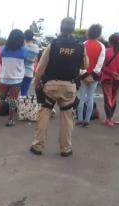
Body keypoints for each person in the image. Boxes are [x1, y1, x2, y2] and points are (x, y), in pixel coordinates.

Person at [30, 17, 89, 157]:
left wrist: (37, 82)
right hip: (69, 87)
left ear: (61, 28)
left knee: (44, 115)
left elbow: (40, 68)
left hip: (51, 86)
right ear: (73, 29)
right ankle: (66, 148)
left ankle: (38, 145)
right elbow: (85, 65)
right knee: (67, 118)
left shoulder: (53, 45)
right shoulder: (80, 47)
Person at [0, 29, 27, 126]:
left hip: (4, 78)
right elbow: (26, 61)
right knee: (12, 100)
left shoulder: (3, 49)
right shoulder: (24, 50)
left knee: (1, 98)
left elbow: (1, 60)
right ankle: (10, 119)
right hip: (16, 79)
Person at [76, 24, 106, 127]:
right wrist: (92, 75)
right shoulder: (101, 46)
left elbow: (79, 61)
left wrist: (84, 75)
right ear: (99, 33)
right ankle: (87, 120)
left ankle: (79, 118)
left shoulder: (83, 44)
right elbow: (100, 63)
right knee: (90, 97)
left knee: (81, 96)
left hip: (82, 75)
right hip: (95, 76)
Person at [100, 34, 119, 126]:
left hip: (107, 78)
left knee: (108, 98)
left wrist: (111, 73)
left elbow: (102, 66)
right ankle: (111, 118)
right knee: (113, 98)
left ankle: (108, 119)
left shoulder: (107, 51)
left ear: (110, 42)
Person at [21, 30, 40, 96]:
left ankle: (12, 106)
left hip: (19, 72)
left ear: (24, 36)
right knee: (24, 92)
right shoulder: (36, 47)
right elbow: (36, 60)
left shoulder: (22, 47)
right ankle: (23, 106)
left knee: (13, 94)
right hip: (29, 73)